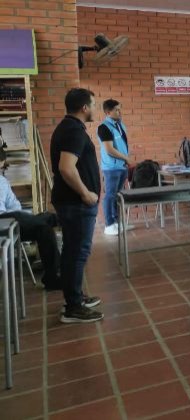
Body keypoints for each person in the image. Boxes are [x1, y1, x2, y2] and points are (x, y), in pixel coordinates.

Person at [51, 88, 102, 323]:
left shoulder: (70, 127)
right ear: (84, 107)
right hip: (76, 203)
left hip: (72, 203)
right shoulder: (73, 130)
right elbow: (66, 168)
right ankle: (73, 307)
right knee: (77, 252)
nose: (94, 109)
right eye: (93, 104)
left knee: (73, 250)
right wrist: (86, 194)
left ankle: (76, 297)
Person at [0, 175, 60, 290]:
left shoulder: (2, 180)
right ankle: (60, 219)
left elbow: (15, 205)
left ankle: (52, 278)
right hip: (4, 225)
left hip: (13, 223)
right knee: (23, 216)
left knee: (44, 229)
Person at [97, 99, 134, 236]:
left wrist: (126, 160)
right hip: (111, 168)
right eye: (116, 110)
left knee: (119, 195)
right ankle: (109, 224)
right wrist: (126, 158)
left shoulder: (120, 125)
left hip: (122, 166)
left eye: (120, 109)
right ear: (108, 112)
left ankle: (118, 223)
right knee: (110, 196)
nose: (120, 112)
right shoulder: (104, 127)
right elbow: (109, 150)